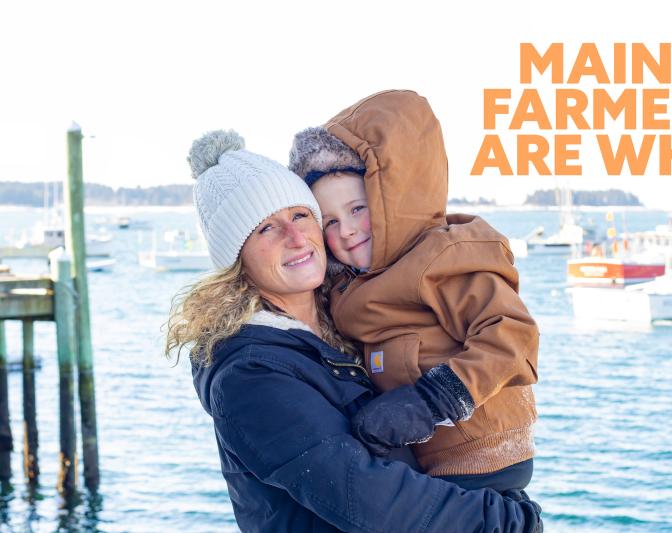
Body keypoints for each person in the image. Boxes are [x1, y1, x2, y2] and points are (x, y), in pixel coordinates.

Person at [165, 129, 544, 532]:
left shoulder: (343, 326)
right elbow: (371, 500)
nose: (296, 238)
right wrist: (508, 521)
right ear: (236, 259)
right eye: (265, 229)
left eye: (300, 216)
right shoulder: (250, 373)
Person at [288, 90, 540, 495]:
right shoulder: (348, 283)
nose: (346, 231)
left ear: (395, 200)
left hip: (479, 451)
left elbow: (511, 336)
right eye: (329, 221)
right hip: (419, 457)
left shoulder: (441, 259)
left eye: (357, 209)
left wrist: (434, 398)